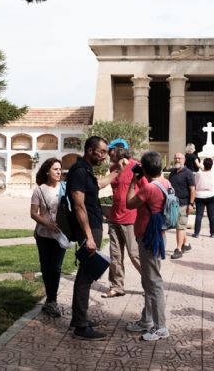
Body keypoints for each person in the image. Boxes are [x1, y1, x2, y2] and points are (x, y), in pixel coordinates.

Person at [67, 136, 120, 340]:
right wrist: (88, 236)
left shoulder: (85, 169)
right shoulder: (80, 171)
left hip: (93, 225)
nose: (105, 155)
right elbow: (79, 205)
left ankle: (78, 318)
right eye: (102, 151)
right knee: (86, 276)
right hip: (89, 228)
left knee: (85, 274)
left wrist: (116, 173)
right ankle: (81, 326)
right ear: (90, 150)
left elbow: (97, 185)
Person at [125, 151, 170, 341]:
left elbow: (129, 203)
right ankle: (146, 320)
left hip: (148, 238)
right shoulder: (165, 183)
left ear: (144, 168)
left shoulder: (149, 189)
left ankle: (161, 328)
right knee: (149, 281)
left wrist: (134, 182)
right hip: (157, 235)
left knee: (154, 283)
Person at [102, 138, 143, 299]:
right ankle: (116, 286)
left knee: (135, 254)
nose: (108, 154)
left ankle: (150, 284)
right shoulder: (114, 168)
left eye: (110, 150)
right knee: (115, 256)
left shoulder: (137, 167)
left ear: (119, 150)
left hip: (131, 218)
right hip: (114, 218)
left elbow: (144, 191)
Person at [30, 157, 66, 318]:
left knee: (56, 268)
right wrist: (47, 224)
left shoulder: (64, 187)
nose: (59, 172)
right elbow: (33, 213)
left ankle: (52, 300)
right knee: (46, 267)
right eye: (55, 169)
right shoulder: (39, 190)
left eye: (60, 169)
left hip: (60, 235)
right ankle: (50, 299)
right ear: (47, 171)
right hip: (43, 235)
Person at [168, 153, 195, 259]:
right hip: (173, 204)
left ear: (184, 160)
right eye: (175, 158)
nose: (177, 160)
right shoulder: (172, 173)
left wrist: (191, 204)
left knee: (180, 226)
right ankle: (186, 245)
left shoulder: (188, 173)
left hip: (184, 203)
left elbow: (193, 189)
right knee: (180, 226)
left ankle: (178, 249)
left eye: (179, 158)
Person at [193, 157, 214, 238]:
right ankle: (213, 233)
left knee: (199, 215)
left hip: (199, 196)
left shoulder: (198, 174)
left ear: (203, 164)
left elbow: (195, 184)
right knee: (212, 215)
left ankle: (197, 233)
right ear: (212, 165)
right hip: (211, 195)